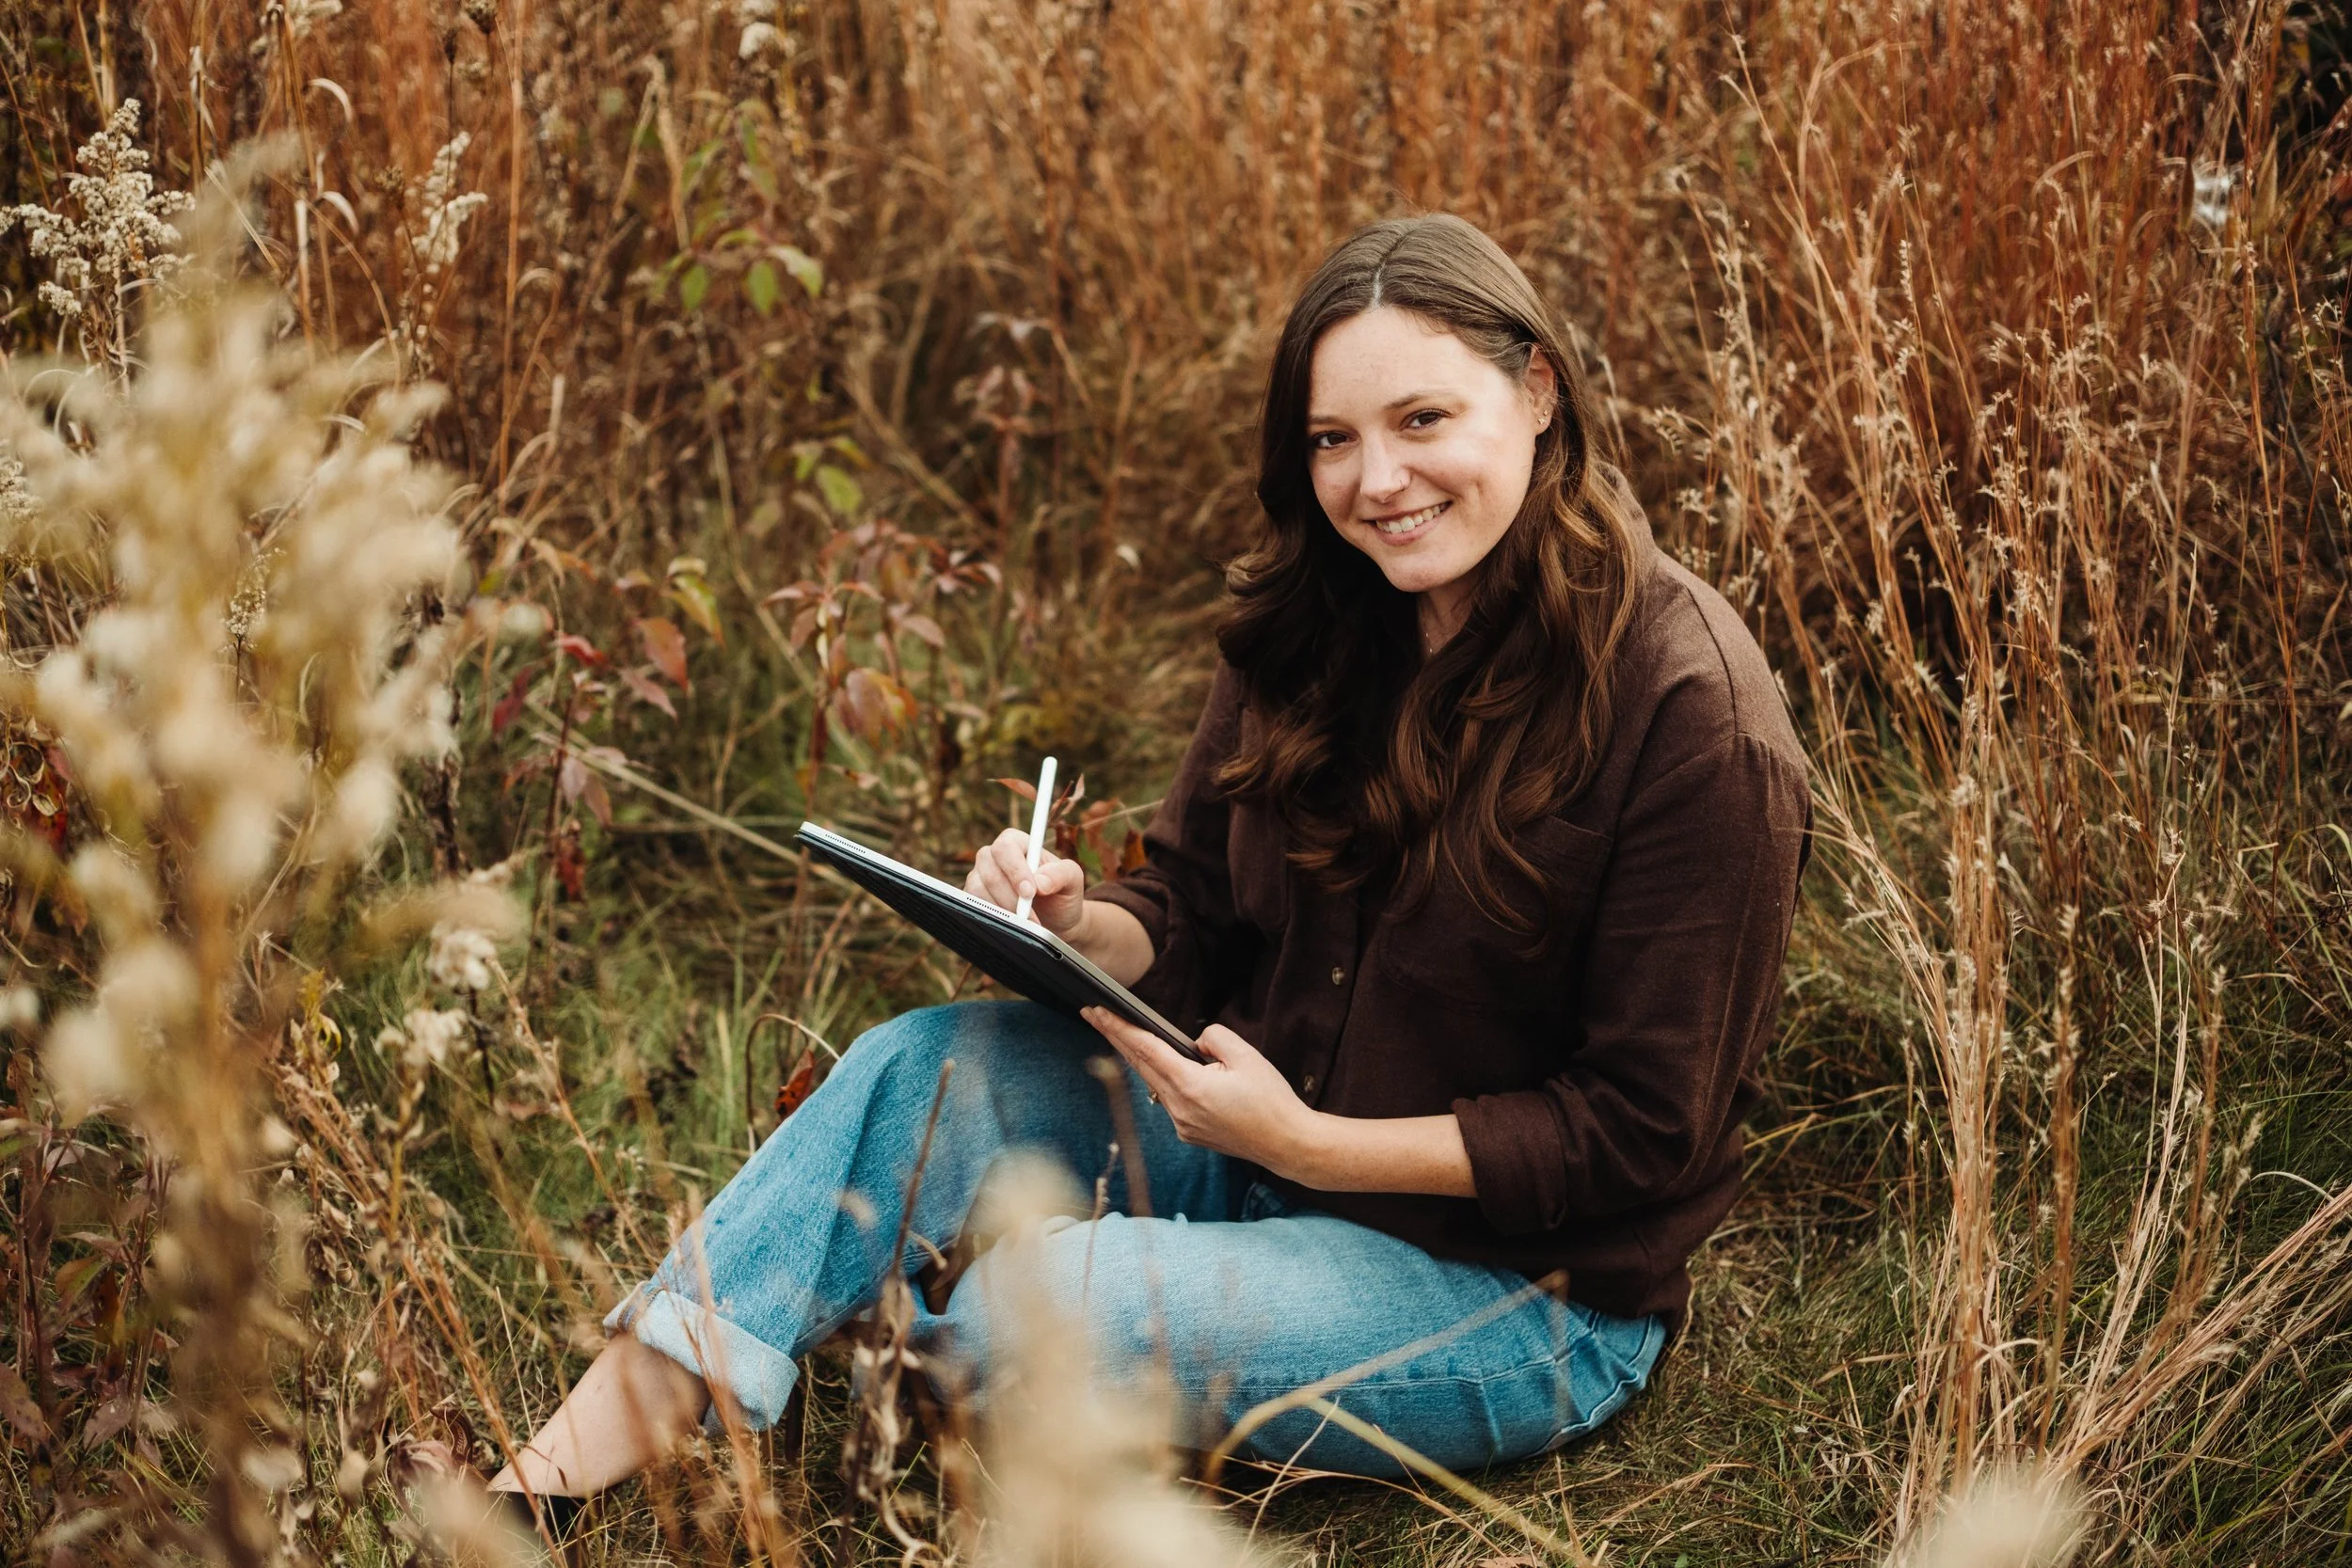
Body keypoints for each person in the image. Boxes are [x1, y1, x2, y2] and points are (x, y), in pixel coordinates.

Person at [487, 213, 1810, 1536]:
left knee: (1049, 1312)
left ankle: (927, 1327)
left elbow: (1642, 1129)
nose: (1379, 481)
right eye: (1333, 440)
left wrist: (1311, 1143)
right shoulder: (1319, 613)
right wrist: (1076, 919)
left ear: (1536, 392)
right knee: (912, 1073)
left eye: (1423, 419)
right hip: (1247, 1142)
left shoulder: (1691, 712)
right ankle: (537, 1493)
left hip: (1519, 1291)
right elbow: (1190, 908)